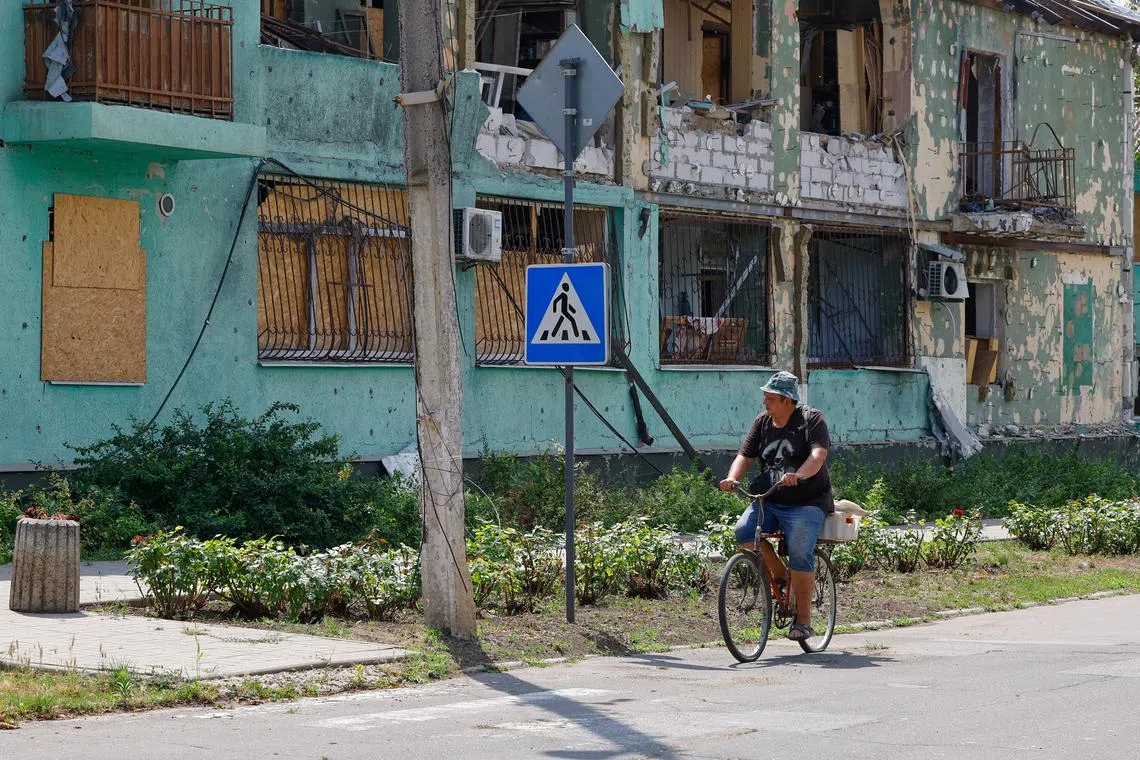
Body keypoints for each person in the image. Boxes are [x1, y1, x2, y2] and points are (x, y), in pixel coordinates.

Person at [718, 370, 834, 641]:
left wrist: (800, 474)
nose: (765, 403)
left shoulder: (811, 420)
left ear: (786, 400)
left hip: (807, 502)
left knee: (800, 552)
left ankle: (803, 621)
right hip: (769, 497)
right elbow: (745, 455)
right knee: (745, 533)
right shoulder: (762, 423)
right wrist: (732, 478)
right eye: (765, 397)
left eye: (770, 398)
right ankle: (781, 575)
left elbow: (818, 455)